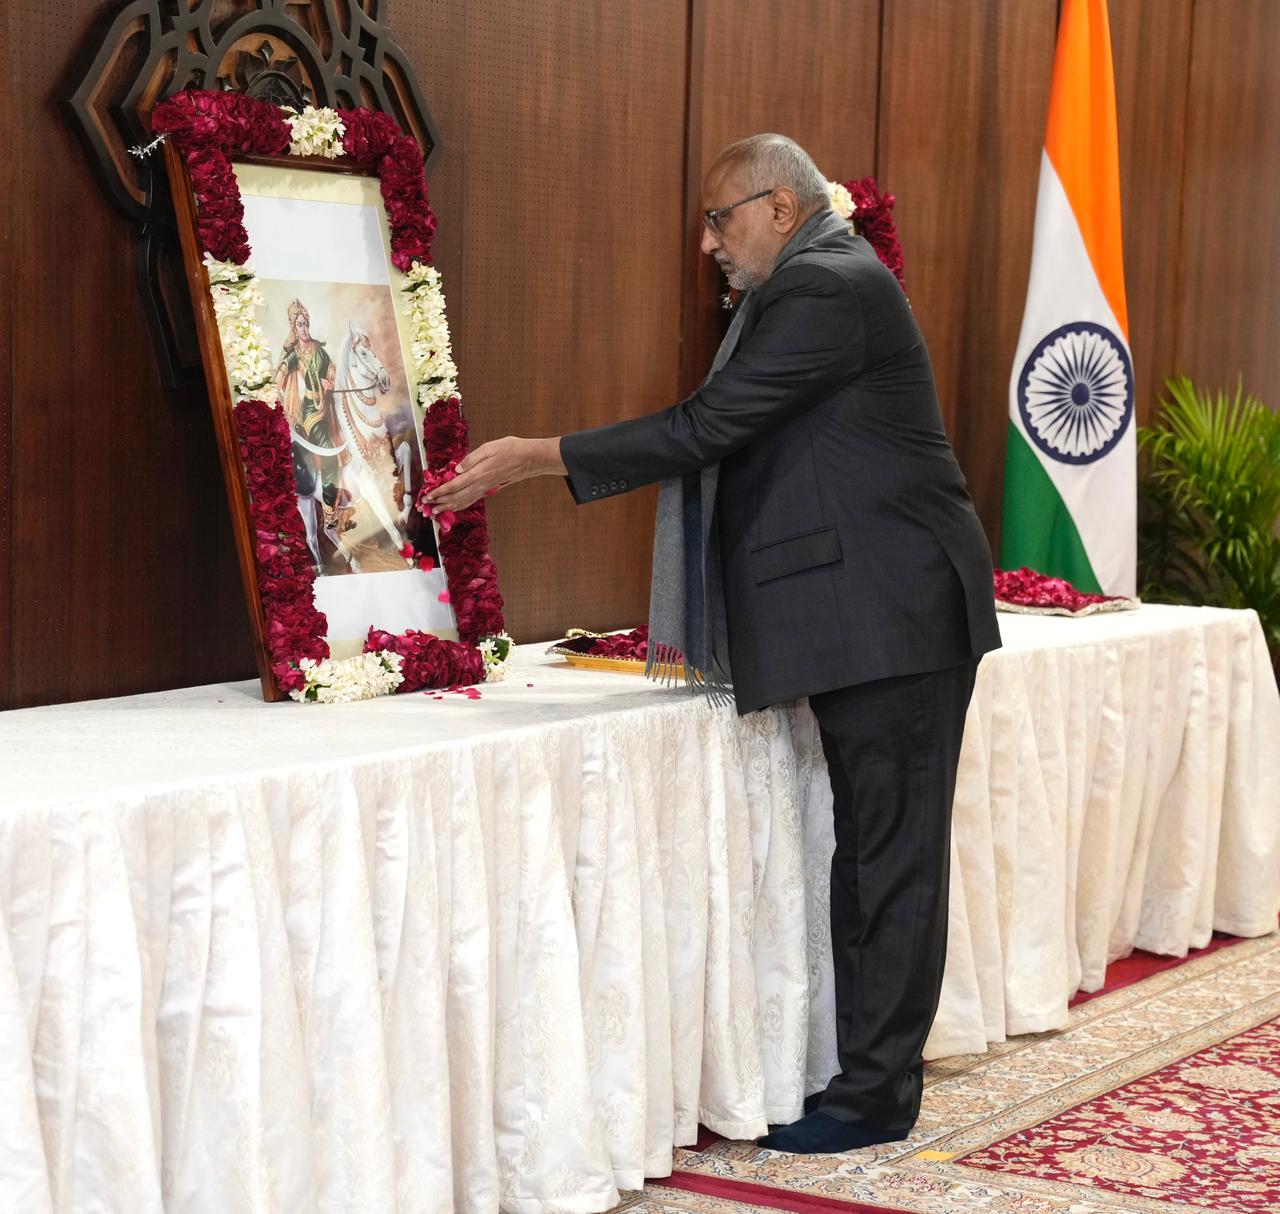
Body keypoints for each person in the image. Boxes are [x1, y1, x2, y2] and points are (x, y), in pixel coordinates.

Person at [426, 134, 1002, 1154]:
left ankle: (875, 1096)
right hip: (880, 611)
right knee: (873, 854)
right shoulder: (822, 277)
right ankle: (866, 1076)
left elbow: (707, 426)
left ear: (779, 206)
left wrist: (532, 458)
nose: (706, 243)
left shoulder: (824, 286)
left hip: (893, 615)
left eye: (718, 218)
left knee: (888, 857)